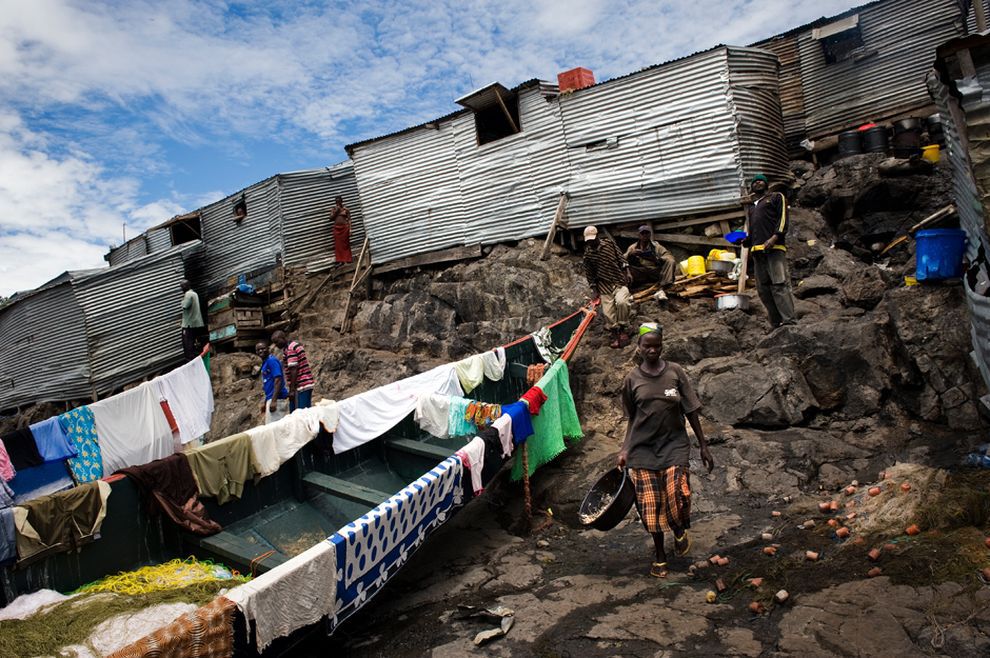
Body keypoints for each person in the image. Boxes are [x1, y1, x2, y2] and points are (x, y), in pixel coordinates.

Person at [618, 323, 714, 579]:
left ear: (662, 346)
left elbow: (691, 409)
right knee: (650, 506)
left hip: (674, 445)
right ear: (638, 348)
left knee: (676, 495)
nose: (652, 350)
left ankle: (679, 529)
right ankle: (660, 554)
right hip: (642, 450)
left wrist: (703, 445)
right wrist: (625, 449)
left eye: (656, 345)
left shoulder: (675, 372)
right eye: (647, 346)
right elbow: (632, 418)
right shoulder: (632, 379)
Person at [745, 173, 797, 331]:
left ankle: (789, 321)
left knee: (779, 285)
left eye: (761, 181)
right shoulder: (752, 207)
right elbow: (753, 230)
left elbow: (782, 220)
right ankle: (776, 323)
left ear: (767, 185)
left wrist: (774, 238)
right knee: (763, 289)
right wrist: (746, 241)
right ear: (751, 187)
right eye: (755, 181)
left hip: (774, 248)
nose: (758, 183)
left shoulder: (776, 197)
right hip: (757, 251)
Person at [583, 226, 632, 349]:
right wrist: (594, 290)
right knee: (608, 313)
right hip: (604, 286)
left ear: (597, 236)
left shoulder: (609, 244)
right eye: (588, 240)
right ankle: (615, 332)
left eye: (592, 239)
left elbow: (621, 258)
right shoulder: (588, 255)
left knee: (622, 302)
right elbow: (590, 274)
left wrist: (628, 272)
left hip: (619, 281)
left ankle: (623, 328)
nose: (590, 242)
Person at [624, 225, 676, 300]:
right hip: (640, 271)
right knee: (625, 269)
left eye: (647, 233)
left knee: (671, 261)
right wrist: (630, 254)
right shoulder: (633, 247)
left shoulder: (657, 246)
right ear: (639, 235)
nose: (645, 235)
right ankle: (626, 291)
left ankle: (664, 287)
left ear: (650, 234)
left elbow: (669, 257)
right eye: (643, 233)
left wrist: (657, 259)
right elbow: (622, 259)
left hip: (654, 272)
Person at [271, 330, 315, 411]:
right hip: (303, 384)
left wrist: (292, 390)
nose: (276, 345)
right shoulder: (291, 346)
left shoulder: (290, 349)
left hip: (302, 385)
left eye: (277, 342)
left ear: (283, 338)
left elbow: (294, 370)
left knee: (300, 414)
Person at [256, 342, 290, 424]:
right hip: (271, 398)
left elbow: (278, 379)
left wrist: (273, 401)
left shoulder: (271, 361)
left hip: (277, 399)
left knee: (276, 429)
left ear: (268, 349)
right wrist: (266, 402)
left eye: (263, 348)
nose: (261, 351)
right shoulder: (265, 363)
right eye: (258, 350)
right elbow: (269, 384)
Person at [180, 280, 207, 361]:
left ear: (186, 286)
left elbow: (185, 305)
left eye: (182, 286)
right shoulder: (194, 293)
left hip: (189, 324)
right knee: (194, 342)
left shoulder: (188, 294)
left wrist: (182, 299)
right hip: (196, 323)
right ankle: (195, 358)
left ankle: (190, 360)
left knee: (187, 344)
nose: (182, 288)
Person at [331, 196, 353, 264]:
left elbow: (349, 220)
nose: (338, 203)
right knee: (338, 245)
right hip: (337, 229)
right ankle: (340, 260)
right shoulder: (334, 209)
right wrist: (336, 212)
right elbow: (331, 218)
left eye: (339, 201)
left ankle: (347, 259)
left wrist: (350, 229)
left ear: (341, 201)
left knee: (345, 245)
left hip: (344, 229)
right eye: (336, 202)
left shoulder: (346, 210)